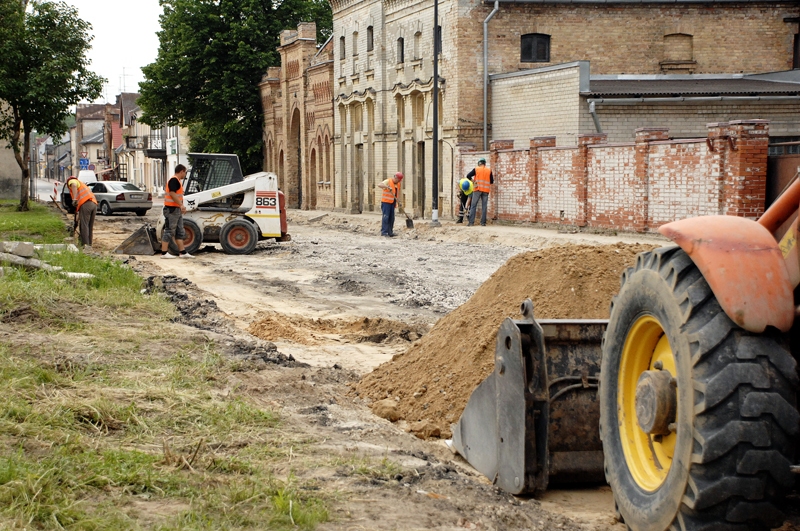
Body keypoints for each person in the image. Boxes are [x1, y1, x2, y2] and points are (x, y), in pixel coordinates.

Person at [160, 164, 195, 259]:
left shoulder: (177, 181)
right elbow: (172, 193)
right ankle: (164, 253)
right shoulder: (174, 180)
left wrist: (180, 207)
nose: (185, 175)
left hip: (175, 209)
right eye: (185, 172)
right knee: (169, 230)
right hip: (171, 210)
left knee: (180, 231)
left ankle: (182, 252)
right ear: (181, 171)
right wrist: (181, 205)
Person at [66, 175, 97, 250]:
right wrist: (77, 217)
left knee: (84, 226)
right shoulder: (82, 184)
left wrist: (74, 199)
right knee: (89, 226)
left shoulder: (72, 181)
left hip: (86, 204)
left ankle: (85, 246)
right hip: (93, 204)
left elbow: (73, 185)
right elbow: (79, 208)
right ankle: (89, 245)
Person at [467, 158, 494, 226]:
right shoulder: (489, 170)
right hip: (485, 191)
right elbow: (491, 181)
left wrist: (473, 181)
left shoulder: (476, 169)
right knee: (484, 206)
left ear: (479, 163)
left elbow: (468, 176)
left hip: (477, 189)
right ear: (484, 163)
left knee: (473, 205)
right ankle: (483, 223)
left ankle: (471, 222)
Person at [377, 172, 403, 237]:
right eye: (399, 180)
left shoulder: (398, 184)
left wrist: (398, 201)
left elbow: (397, 193)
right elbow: (379, 185)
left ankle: (390, 232)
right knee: (386, 217)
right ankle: (384, 232)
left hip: (392, 203)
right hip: (386, 203)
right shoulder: (388, 181)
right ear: (396, 178)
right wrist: (387, 187)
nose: (399, 181)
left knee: (392, 218)